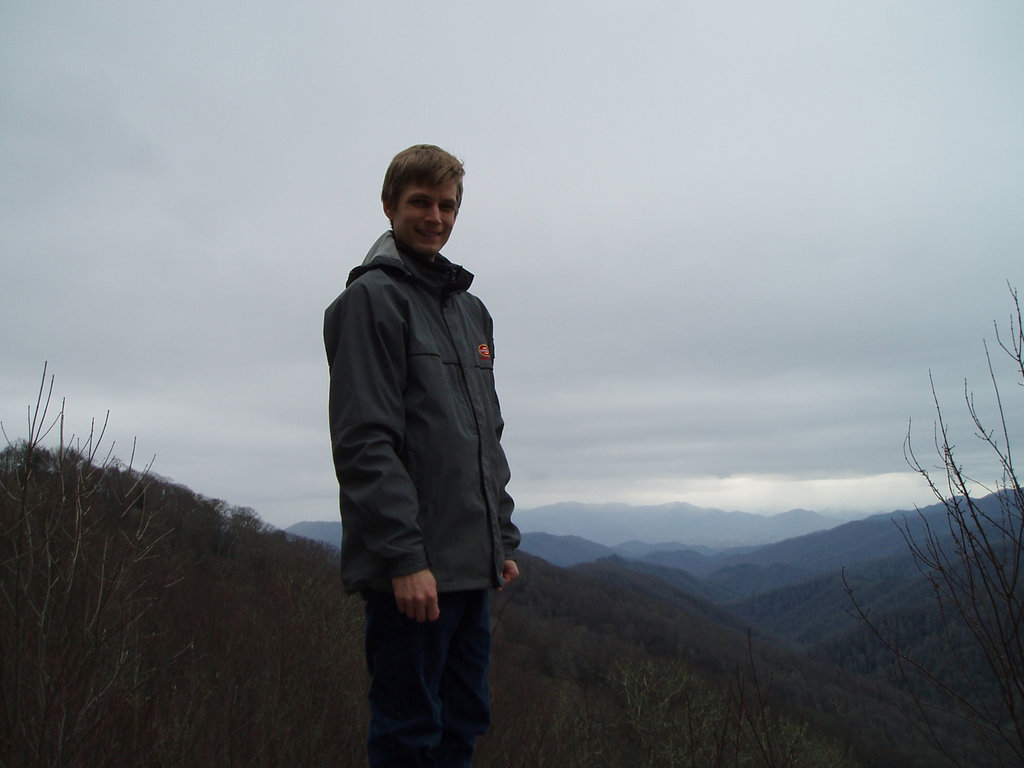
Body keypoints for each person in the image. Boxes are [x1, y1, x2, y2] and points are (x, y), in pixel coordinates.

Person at [324, 144, 520, 767]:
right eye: (420, 203)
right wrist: (405, 560)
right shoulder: (371, 300)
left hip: (470, 566)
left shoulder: (470, 310)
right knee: (409, 734)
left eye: (447, 205)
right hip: (413, 574)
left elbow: (485, 432)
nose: (435, 217)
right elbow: (364, 440)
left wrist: (500, 538)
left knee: (463, 722)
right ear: (389, 206)